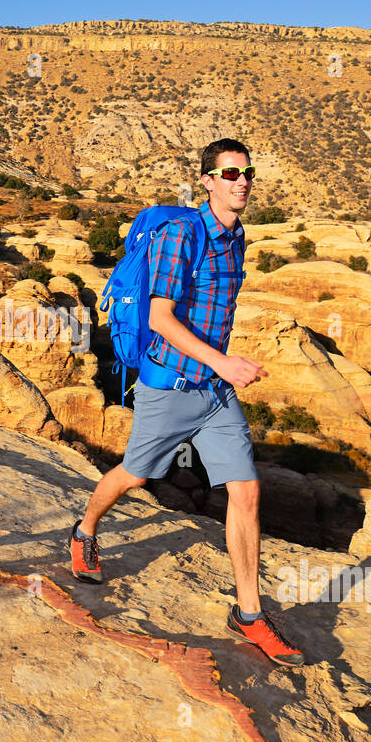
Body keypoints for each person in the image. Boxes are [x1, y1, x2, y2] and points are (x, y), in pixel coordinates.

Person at [70, 137, 305, 666]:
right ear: (206, 180)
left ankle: (248, 615)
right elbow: (159, 317)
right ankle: (85, 530)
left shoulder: (236, 236)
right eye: (228, 173)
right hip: (172, 385)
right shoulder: (183, 234)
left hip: (215, 392)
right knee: (135, 473)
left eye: (247, 172)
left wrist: (221, 368)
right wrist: (222, 362)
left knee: (245, 492)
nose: (241, 181)